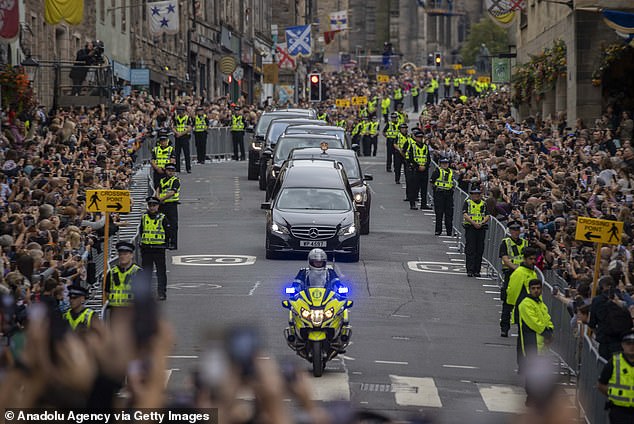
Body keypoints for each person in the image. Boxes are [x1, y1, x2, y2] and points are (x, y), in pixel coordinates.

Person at [517, 279, 554, 404]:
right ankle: (531, 397)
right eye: (533, 288)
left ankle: (538, 396)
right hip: (531, 342)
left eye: (538, 288)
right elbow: (533, 322)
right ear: (529, 289)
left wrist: (550, 330)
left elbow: (547, 318)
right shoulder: (525, 303)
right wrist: (546, 332)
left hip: (542, 343)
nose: (536, 290)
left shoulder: (541, 304)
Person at [588, 275, 634, 360]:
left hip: (604, 341)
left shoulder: (597, 300)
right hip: (620, 341)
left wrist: (599, 332)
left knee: (603, 365)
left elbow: (592, 323)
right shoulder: (623, 298)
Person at [598, 330, 634, 423]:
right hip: (619, 411)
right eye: (628, 343)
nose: (632, 346)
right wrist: (614, 395)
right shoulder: (614, 362)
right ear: (623, 345)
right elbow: (601, 384)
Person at [499, 220, 528, 337]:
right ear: (510, 231)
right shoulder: (506, 242)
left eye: (517, 229)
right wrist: (517, 269)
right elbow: (505, 259)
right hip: (510, 275)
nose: (516, 232)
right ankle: (504, 328)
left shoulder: (525, 243)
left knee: (523, 303)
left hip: (524, 277)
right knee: (508, 302)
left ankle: (522, 328)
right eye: (513, 230)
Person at [139, 197, 171, 301]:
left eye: (154, 205)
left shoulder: (163, 218)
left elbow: (168, 232)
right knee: (146, 272)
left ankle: (161, 293)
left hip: (158, 248)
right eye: (150, 205)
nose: (152, 207)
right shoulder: (144, 217)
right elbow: (141, 231)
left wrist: (166, 244)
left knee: (160, 272)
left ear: (158, 206)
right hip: (146, 248)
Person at [104, 241, 143, 309]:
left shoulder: (138, 272)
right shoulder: (112, 272)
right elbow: (107, 292)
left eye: (125, 254)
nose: (122, 256)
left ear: (131, 255)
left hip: (132, 309)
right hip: (115, 309)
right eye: (120, 254)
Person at [462, 187, 490, 277]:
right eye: (474, 194)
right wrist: (474, 223)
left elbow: (487, 215)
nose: (476, 196)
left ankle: (477, 270)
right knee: (470, 249)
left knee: (479, 249)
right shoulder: (468, 202)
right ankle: (470, 270)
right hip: (470, 227)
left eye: (478, 194)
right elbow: (465, 215)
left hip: (481, 228)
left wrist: (481, 223)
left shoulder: (484, 204)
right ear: (471, 195)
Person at [156, 163, 180, 250]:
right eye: (169, 170)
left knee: (173, 225)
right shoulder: (162, 180)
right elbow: (158, 189)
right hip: (162, 205)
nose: (170, 172)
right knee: (163, 224)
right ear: (165, 171)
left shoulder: (175, 180)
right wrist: (158, 197)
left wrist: (162, 198)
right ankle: (165, 242)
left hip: (171, 204)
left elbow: (172, 192)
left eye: (172, 171)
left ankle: (173, 243)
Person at [405, 128, 430, 210]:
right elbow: (410, 158)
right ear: (415, 138)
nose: (420, 139)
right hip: (416, 170)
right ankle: (412, 204)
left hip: (424, 170)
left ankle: (424, 204)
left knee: (424, 189)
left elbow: (428, 159)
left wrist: (425, 166)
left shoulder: (425, 147)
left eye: (421, 137)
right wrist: (418, 166)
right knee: (414, 188)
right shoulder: (412, 146)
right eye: (418, 137)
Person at [430, 157, 454, 235]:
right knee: (439, 213)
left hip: (449, 194)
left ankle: (449, 231)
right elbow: (432, 181)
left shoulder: (451, 172)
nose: (445, 165)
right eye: (443, 163)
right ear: (440, 164)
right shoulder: (437, 171)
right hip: (439, 193)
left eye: (446, 163)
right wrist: (435, 190)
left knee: (449, 214)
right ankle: (438, 230)